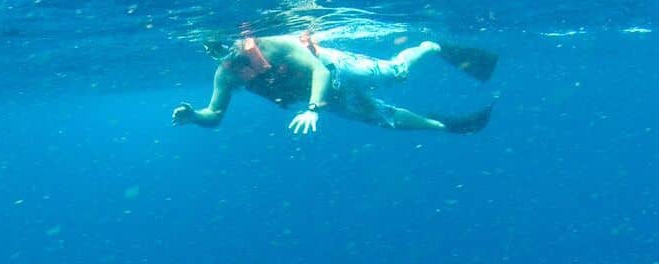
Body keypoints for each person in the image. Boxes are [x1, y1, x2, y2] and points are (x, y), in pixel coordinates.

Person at [172, 34, 497, 134]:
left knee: (397, 72)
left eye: (222, 45)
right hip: (324, 95)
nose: (222, 54)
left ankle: (430, 46)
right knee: (383, 119)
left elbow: (319, 71)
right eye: (212, 50)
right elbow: (214, 115)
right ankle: (448, 127)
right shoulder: (226, 75)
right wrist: (193, 116)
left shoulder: (274, 45)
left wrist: (313, 109)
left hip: (334, 68)